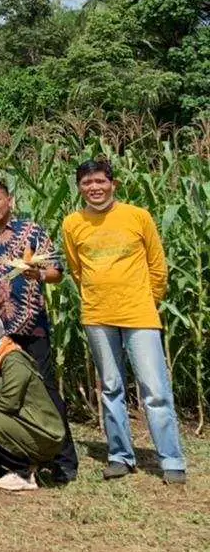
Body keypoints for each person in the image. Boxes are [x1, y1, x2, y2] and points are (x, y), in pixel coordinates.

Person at [61, 159, 187, 485]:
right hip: (97, 315)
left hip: (140, 315)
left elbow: (157, 267)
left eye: (100, 181)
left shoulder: (137, 217)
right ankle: (119, 456)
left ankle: (171, 459)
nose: (94, 188)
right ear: (79, 188)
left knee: (155, 391)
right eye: (87, 183)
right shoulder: (72, 224)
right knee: (111, 388)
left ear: (113, 184)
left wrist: (148, 300)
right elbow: (77, 270)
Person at [0, 179, 78, 483]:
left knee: (46, 391)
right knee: (4, 392)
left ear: (10, 201)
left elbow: (57, 273)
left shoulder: (32, 232)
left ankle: (65, 460)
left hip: (32, 328)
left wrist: (38, 273)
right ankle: (18, 456)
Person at [0, 308, 65, 492]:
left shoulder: (13, 358)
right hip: (11, 425)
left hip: (38, 430)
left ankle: (24, 472)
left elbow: (9, 402)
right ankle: (5, 471)